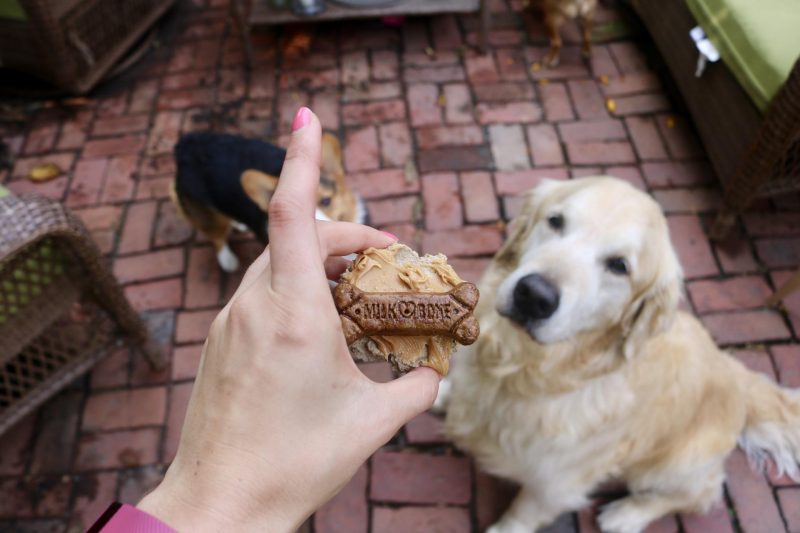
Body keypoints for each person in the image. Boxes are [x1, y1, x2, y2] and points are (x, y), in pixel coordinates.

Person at [99, 108, 441, 531]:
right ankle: (219, 239)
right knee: (218, 231)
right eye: (313, 210)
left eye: (328, 203)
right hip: (202, 187)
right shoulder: (264, 212)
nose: (320, 220)